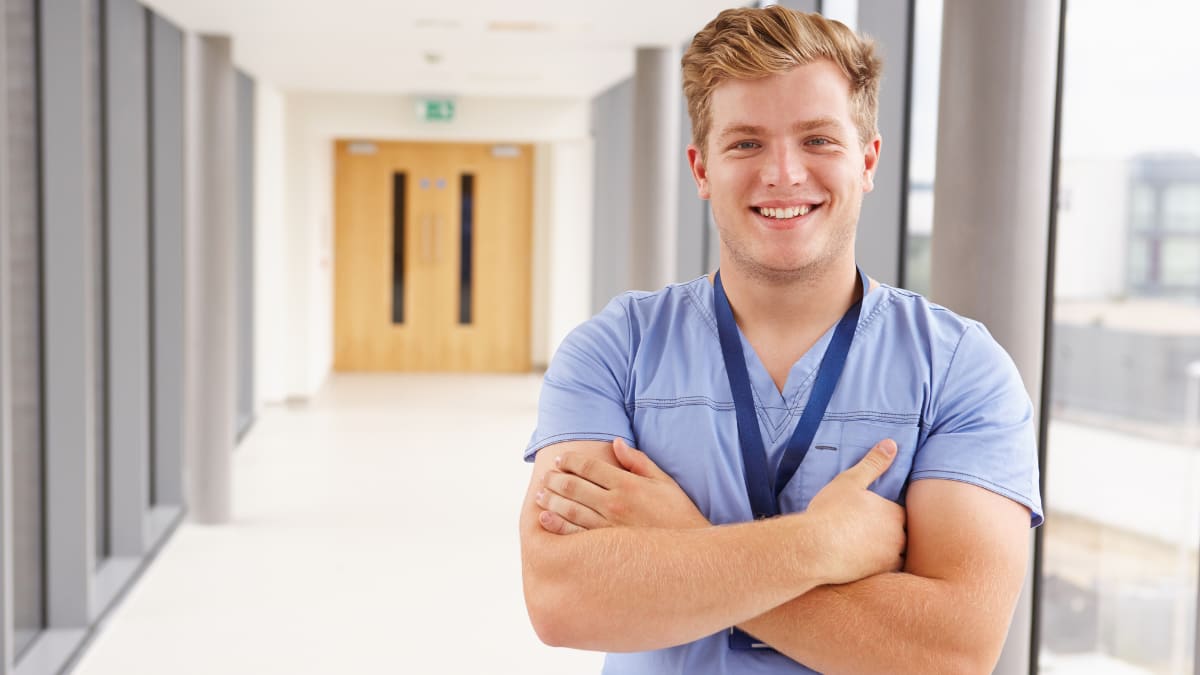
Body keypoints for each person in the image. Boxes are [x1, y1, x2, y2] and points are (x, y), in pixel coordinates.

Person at [519, 6, 1043, 674]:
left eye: (819, 140)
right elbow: (564, 597)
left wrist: (680, 543)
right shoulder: (613, 351)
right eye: (746, 143)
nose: (784, 173)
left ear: (868, 160)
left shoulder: (961, 369)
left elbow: (950, 650)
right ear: (701, 169)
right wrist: (819, 544)